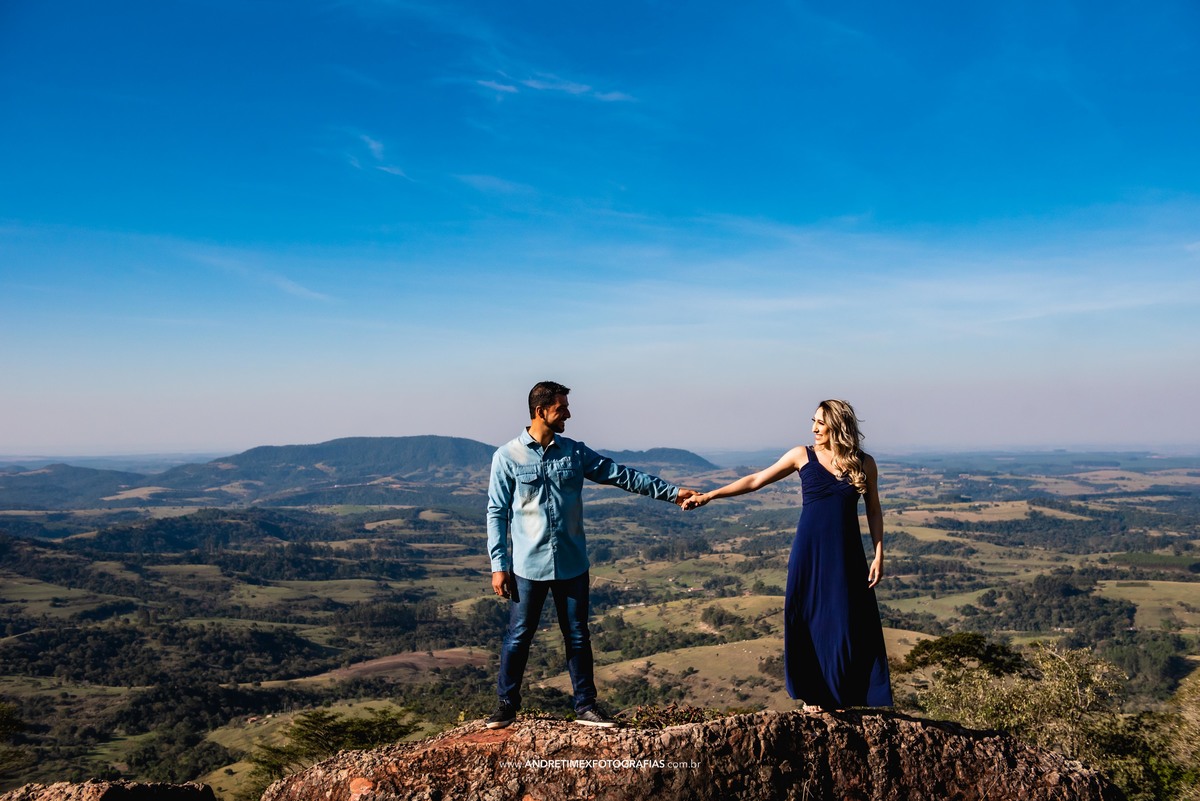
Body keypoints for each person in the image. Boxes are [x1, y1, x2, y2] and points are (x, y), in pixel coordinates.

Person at [486, 381, 696, 729]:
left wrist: (672, 493)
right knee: (519, 636)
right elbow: (497, 512)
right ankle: (507, 705)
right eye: (561, 407)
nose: (568, 412)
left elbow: (621, 475)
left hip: (571, 564)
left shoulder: (574, 452)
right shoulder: (506, 457)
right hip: (527, 567)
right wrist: (499, 565)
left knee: (578, 635)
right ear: (541, 411)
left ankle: (585, 706)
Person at [684, 399, 893, 709]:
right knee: (807, 618)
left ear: (836, 424)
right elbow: (755, 480)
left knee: (846, 622)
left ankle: (845, 695)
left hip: (846, 555)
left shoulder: (865, 463)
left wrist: (879, 554)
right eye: (814, 422)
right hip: (808, 552)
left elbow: (873, 510)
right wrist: (710, 495)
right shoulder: (801, 456)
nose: (814, 428)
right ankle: (814, 696)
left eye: (820, 422)